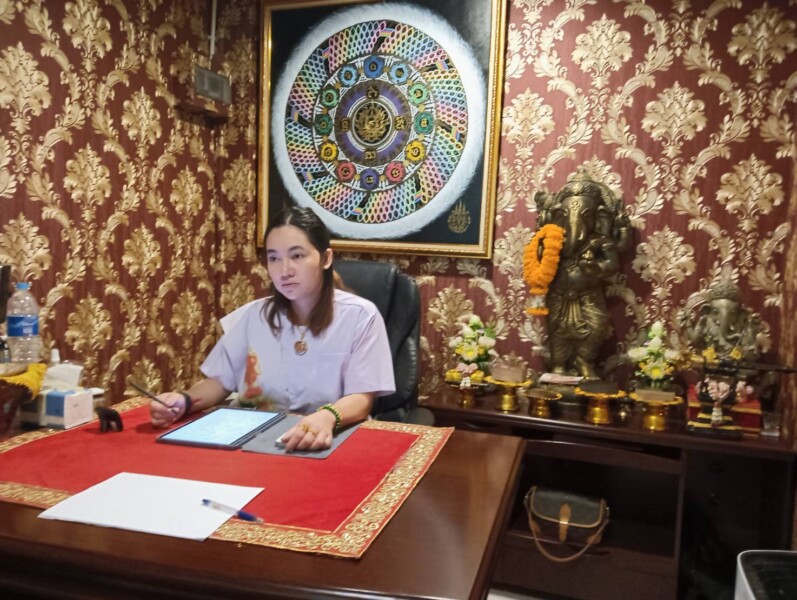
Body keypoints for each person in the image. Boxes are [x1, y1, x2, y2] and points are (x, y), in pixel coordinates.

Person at [149, 206, 396, 451]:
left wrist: (327, 416)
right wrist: (183, 400)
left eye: (297, 256)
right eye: (274, 258)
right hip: (253, 439)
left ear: (326, 259)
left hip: (327, 439)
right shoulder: (253, 316)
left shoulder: (360, 316)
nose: (284, 271)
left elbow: (362, 398)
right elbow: (219, 382)